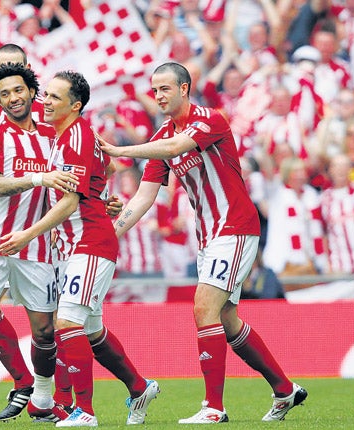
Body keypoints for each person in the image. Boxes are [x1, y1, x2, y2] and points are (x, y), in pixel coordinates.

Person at [99, 62, 307, 424]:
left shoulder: (210, 119)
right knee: (227, 320)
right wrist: (110, 233)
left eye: (165, 88)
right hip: (210, 235)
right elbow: (144, 197)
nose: (158, 96)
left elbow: (180, 145)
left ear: (184, 89)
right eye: (154, 90)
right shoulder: (163, 135)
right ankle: (285, 390)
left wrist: (119, 151)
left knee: (203, 308)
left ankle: (214, 408)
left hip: (236, 227)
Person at [0, 70, 160, 427]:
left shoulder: (75, 138)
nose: (46, 101)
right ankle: (138, 387)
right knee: (90, 332)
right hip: (74, 244)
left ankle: (83, 411)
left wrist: (27, 235)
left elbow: (70, 202)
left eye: (55, 97)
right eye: (47, 95)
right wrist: (103, 197)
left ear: (76, 105)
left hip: (89, 242)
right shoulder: (68, 136)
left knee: (67, 323)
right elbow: (104, 168)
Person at [0, 63, 80, 428]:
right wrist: (38, 176)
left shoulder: (52, 133)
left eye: (18, 90)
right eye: (5, 94)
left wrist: (102, 200)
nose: (13, 98)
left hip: (38, 246)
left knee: (45, 330)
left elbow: (72, 177)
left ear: (32, 92)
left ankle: (42, 399)